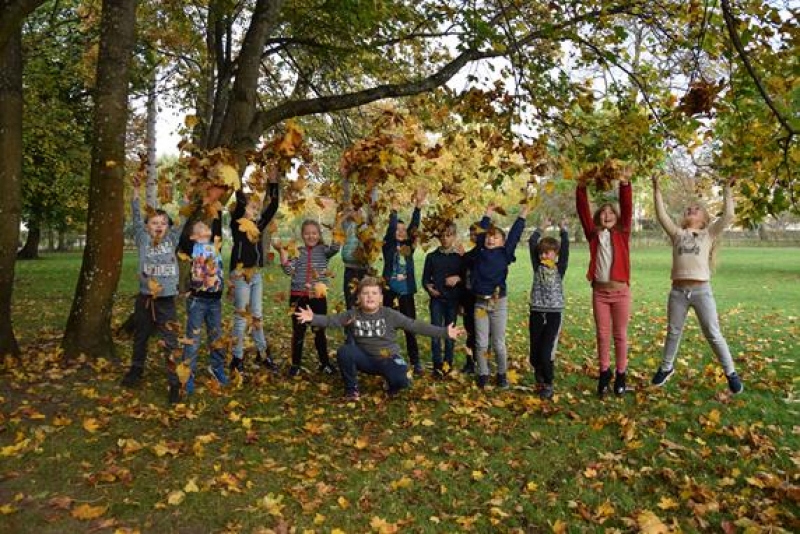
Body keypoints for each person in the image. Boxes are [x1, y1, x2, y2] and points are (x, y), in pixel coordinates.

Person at [294, 276, 464, 400]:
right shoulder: (353, 314)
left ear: (381, 298)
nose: (370, 296)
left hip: (388, 358)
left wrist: (444, 332)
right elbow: (332, 320)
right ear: (359, 298)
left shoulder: (390, 315)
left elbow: (415, 325)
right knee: (345, 351)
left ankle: (391, 384)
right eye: (365, 293)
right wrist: (313, 318)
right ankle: (352, 389)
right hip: (365, 359)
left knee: (403, 380)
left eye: (374, 293)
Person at [650, 175, 743, 394]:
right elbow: (661, 215)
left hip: (702, 291)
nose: (691, 209)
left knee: (713, 332)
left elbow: (729, 215)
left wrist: (727, 189)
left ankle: (730, 372)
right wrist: (656, 189)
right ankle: (666, 367)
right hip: (678, 292)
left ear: (704, 219)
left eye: (696, 209)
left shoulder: (708, 234)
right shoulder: (677, 234)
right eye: (689, 209)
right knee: (673, 331)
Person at [121, 176, 183, 404]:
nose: (158, 226)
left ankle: (175, 382)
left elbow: (184, 218)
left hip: (166, 300)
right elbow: (136, 217)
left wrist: (186, 198)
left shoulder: (172, 239)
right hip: (145, 298)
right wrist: (136, 191)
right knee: (141, 336)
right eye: (154, 222)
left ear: (168, 227)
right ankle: (136, 369)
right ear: (147, 227)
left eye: (163, 223)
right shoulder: (143, 239)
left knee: (170, 340)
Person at [575, 172, 632, 397]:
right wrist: (581, 187)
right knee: (602, 334)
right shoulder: (594, 235)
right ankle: (604, 373)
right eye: (603, 212)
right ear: (599, 217)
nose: (607, 215)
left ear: (616, 217)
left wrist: (624, 184)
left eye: (611, 212)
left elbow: (627, 208)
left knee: (620, 335)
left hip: (621, 293)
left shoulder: (623, 232)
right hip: (600, 293)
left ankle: (621, 374)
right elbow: (583, 212)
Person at [471, 202, 530, 389]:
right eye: (489, 237)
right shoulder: (480, 252)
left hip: (498, 304)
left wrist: (523, 214)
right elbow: (481, 232)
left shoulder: (505, 253)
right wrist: (487, 213)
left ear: (502, 242)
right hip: (481, 304)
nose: (490, 240)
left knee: (498, 343)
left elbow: (514, 235)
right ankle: (483, 373)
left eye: (495, 237)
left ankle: (502, 374)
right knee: (481, 343)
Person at [228, 174, 280, 377]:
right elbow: (241, 202)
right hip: (241, 275)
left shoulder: (258, 227)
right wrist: (236, 179)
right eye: (252, 208)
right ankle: (237, 358)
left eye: (257, 209)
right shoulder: (237, 224)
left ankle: (263, 353)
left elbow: (273, 206)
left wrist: (273, 182)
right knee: (241, 317)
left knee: (257, 315)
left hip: (256, 275)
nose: (256, 211)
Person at [280, 220, 340, 377]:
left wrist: (336, 228)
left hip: (317, 297)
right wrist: (282, 255)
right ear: (302, 235)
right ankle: (295, 365)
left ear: (319, 235)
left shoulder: (324, 251)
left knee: (319, 330)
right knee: (298, 331)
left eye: (314, 233)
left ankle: (324, 363)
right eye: (307, 233)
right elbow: (289, 270)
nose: (311, 236)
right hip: (298, 297)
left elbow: (336, 247)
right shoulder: (298, 252)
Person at [181, 217, 228, 393]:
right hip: (198, 301)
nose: (205, 227)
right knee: (193, 339)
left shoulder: (215, 246)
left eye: (206, 226)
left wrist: (215, 209)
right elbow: (183, 236)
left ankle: (217, 368)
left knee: (216, 337)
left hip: (215, 300)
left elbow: (217, 221)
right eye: (200, 226)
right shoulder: (192, 247)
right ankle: (187, 374)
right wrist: (193, 210)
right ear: (193, 236)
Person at [381, 190, 426, 374]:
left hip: (406, 293)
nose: (400, 232)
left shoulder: (407, 248)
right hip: (389, 292)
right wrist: (394, 211)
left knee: (410, 328)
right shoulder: (388, 246)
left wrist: (418, 207)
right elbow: (391, 230)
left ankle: (415, 361)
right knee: (387, 328)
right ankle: (386, 359)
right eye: (397, 230)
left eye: (403, 230)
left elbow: (414, 227)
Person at [528, 218, 570, 400]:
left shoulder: (560, 268)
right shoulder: (537, 267)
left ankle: (548, 383)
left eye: (547, 253)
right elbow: (532, 242)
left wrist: (563, 230)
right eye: (541, 253)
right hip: (537, 313)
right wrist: (541, 228)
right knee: (534, 353)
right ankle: (539, 372)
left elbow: (566, 248)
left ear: (555, 254)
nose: (543, 256)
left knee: (546, 352)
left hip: (553, 314)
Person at [422, 221, 467, 377]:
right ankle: (436, 365)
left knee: (450, 333)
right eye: (442, 236)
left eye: (449, 235)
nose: (445, 239)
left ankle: (447, 364)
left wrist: (458, 278)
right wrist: (429, 288)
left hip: (453, 301)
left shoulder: (459, 257)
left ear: (454, 236)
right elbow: (425, 279)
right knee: (436, 332)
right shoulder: (431, 257)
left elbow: (467, 277)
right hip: (437, 301)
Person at [458, 222, 481, 374]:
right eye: (471, 234)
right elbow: (462, 280)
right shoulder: (467, 256)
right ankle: (470, 363)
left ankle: (482, 362)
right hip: (468, 301)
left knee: (483, 333)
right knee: (470, 332)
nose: (473, 237)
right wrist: (460, 303)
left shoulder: (488, 255)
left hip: (483, 301)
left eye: (476, 234)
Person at [341, 205, 371, 309]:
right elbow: (339, 222)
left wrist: (361, 219)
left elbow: (368, 241)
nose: (356, 213)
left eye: (358, 211)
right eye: (354, 211)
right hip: (349, 268)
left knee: (364, 297)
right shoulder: (347, 225)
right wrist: (348, 213)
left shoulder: (364, 226)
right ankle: (351, 317)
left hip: (363, 268)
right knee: (350, 297)